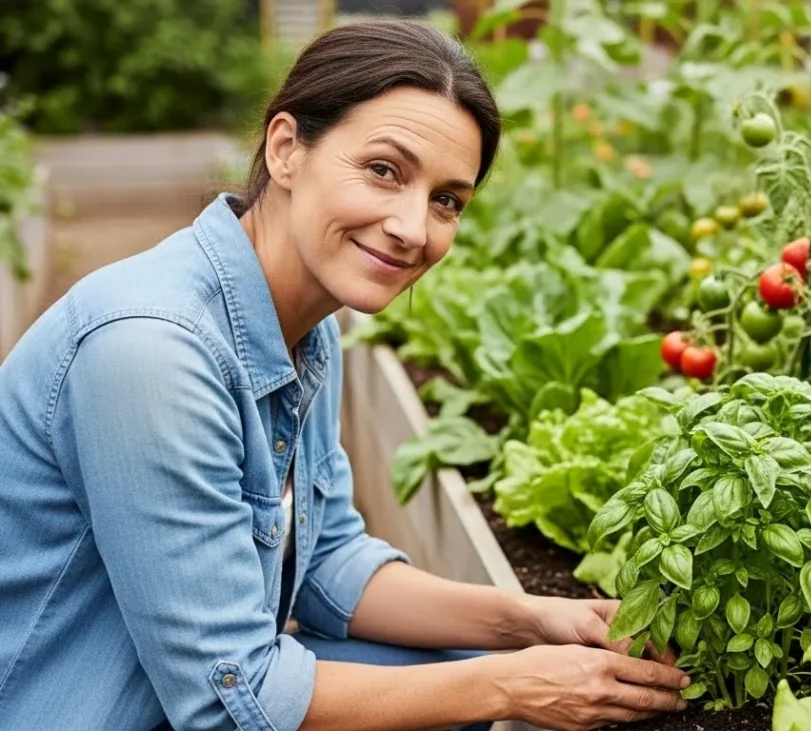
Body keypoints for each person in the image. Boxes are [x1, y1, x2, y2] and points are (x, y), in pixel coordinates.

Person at [0, 19, 690, 731]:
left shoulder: (304, 327)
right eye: (385, 170)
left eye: (447, 199)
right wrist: (511, 685)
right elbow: (230, 702)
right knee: (468, 697)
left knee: (453, 676)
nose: (413, 227)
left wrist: (530, 619)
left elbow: (326, 563)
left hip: (163, 695)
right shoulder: (152, 352)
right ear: (287, 149)